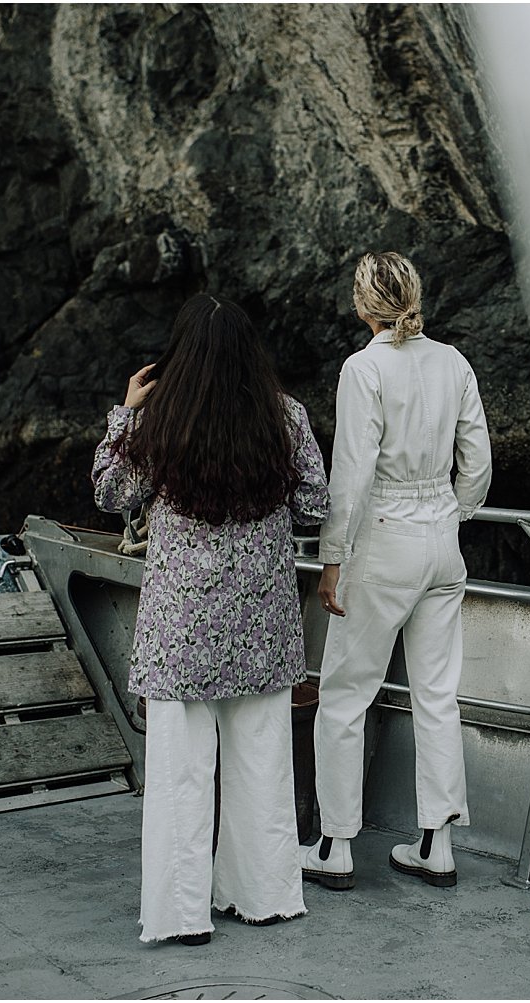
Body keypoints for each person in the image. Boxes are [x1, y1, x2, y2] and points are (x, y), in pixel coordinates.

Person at [92, 294, 330, 945]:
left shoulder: (160, 419)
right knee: (262, 766)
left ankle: (181, 914)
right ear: (252, 356)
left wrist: (126, 410)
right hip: (261, 621)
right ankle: (265, 896)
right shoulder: (286, 416)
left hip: (181, 626)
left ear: (180, 356)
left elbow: (112, 492)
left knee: (180, 776)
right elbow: (314, 501)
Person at [301, 251, 492, 889]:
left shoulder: (364, 368)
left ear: (363, 305)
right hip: (442, 542)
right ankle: (436, 845)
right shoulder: (455, 362)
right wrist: (451, 512)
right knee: (438, 696)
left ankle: (335, 846)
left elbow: (349, 476)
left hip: (383, 544)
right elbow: (480, 464)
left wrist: (332, 562)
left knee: (346, 698)